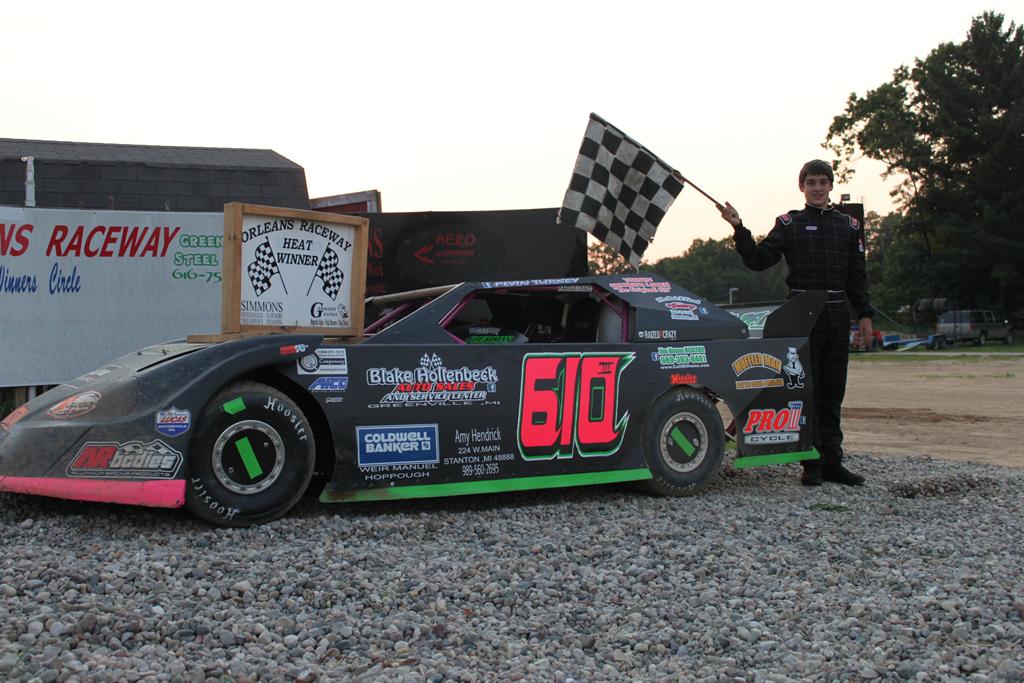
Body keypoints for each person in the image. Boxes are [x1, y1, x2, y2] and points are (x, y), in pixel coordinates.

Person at [718, 159, 872, 486]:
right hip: (801, 316)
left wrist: (865, 315)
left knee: (833, 392)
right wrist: (739, 228)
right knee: (806, 391)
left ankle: (834, 463)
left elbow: (857, 277)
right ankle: (811, 464)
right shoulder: (789, 223)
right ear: (802, 187)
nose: (817, 188)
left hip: (836, 315)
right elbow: (758, 260)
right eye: (811, 182)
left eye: (822, 182)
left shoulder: (848, 226)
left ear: (831, 186)